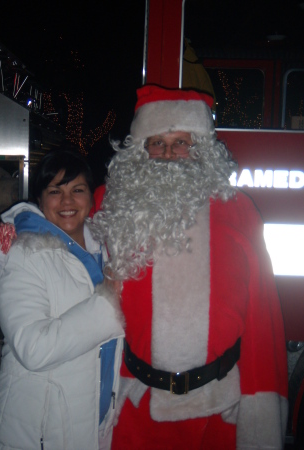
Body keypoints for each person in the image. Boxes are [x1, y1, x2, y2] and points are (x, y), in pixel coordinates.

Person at [89, 85, 288, 449]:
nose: (169, 155)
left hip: (218, 409)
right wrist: (10, 241)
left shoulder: (238, 209)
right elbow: (64, 251)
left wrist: (260, 402)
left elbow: (262, 313)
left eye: (181, 143)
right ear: (141, 150)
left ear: (200, 150)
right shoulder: (110, 203)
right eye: (157, 143)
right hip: (136, 407)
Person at [0, 148, 125, 450]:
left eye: (78, 190)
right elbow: (33, 349)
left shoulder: (107, 250)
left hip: (92, 422)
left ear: (91, 196)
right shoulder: (22, 254)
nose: (68, 201)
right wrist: (108, 307)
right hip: (37, 432)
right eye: (55, 191)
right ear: (40, 200)